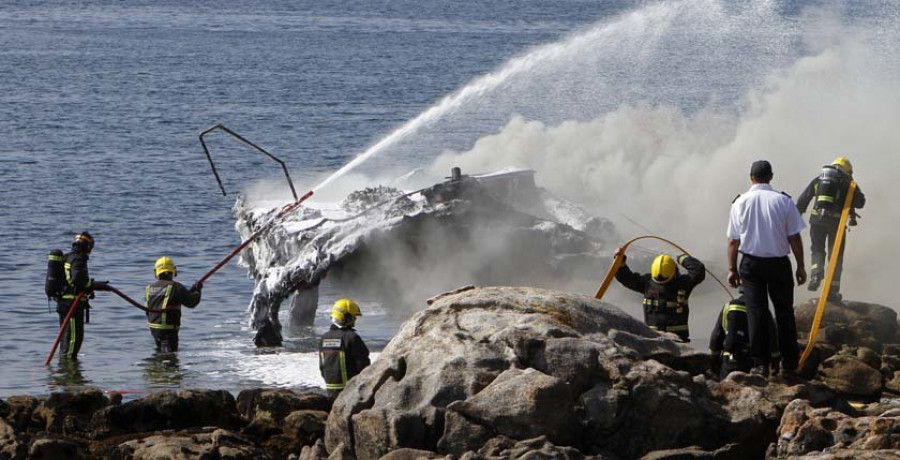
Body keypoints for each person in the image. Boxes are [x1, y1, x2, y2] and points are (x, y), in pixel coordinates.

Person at [727, 160, 807, 378]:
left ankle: (760, 365)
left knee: (756, 313)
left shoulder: (740, 203)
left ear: (751, 177)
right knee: (785, 314)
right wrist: (800, 266)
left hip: (751, 264)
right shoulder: (784, 201)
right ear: (771, 176)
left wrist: (732, 269)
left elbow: (733, 241)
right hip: (779, 264)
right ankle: (789, 366)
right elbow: (794, 237)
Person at [796, 157, 865, 302]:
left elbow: (803, 199)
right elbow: (860, 202)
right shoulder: (848, 182)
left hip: (816, 222)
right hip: (836, 224)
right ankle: (832, 292)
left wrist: (796, 216)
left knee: (817, 249)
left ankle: (816, 273)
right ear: (848, 171)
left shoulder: (820, 178)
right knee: (836, 256)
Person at [614, 251, 706, 342]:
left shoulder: (647, 283)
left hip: (652, 338)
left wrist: (620, 264)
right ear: (674, 271)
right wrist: (681, 257)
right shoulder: (683, 284)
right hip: (678, 339)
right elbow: (698, 270)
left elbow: (626, 278)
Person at [57, 232, 109, 360]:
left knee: (66, 338)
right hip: (73, 306)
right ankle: (69, 372)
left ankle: (64, 371)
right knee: (74, 340)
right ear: (87, 246)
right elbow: (78, 280)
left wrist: (91, 285)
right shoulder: (79, 259)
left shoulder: (67, 257)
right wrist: (93, 284)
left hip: (64, 304)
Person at [709, 292, 780, 378]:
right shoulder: (762, 309)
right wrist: (775, 362)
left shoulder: (728, 307)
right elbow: (772, 338)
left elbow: (716, 337)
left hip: (729, 363)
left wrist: (714, 359)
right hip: (753, 366)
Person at [145, 257, 202, 353]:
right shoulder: (175, 287)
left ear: (156, 272)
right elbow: (192, 302)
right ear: (173, 271)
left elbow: (147, 310)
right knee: (170, 360)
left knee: (160, 356)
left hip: (154, 330)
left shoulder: (149, 288)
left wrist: (190, 292)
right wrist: (197, 290)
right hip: (169, 332)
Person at [319, 298, 370, 398]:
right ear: (345, 317)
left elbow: (322, 366)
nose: (355, 320)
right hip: (350, 390)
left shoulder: (324, 338)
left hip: (330, 389)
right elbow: (363, 365)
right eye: (353, 317)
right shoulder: (351, 337)